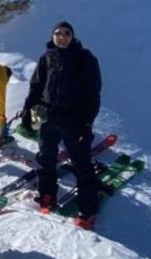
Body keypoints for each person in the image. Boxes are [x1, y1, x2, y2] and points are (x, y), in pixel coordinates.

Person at [21, 21, 102, 230]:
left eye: (66, 33)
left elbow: (93, 93)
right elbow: (36, 86)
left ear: (72, 36)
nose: (62, 37)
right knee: (45, 158)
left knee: (81, 163)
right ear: (53, 36)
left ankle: (88, 209)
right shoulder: (47, 57)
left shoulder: (85, 58)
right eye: (58, 33)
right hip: (49, 116)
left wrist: (87, 122)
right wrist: (27, 111)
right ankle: (47, 195)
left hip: (74, 118)